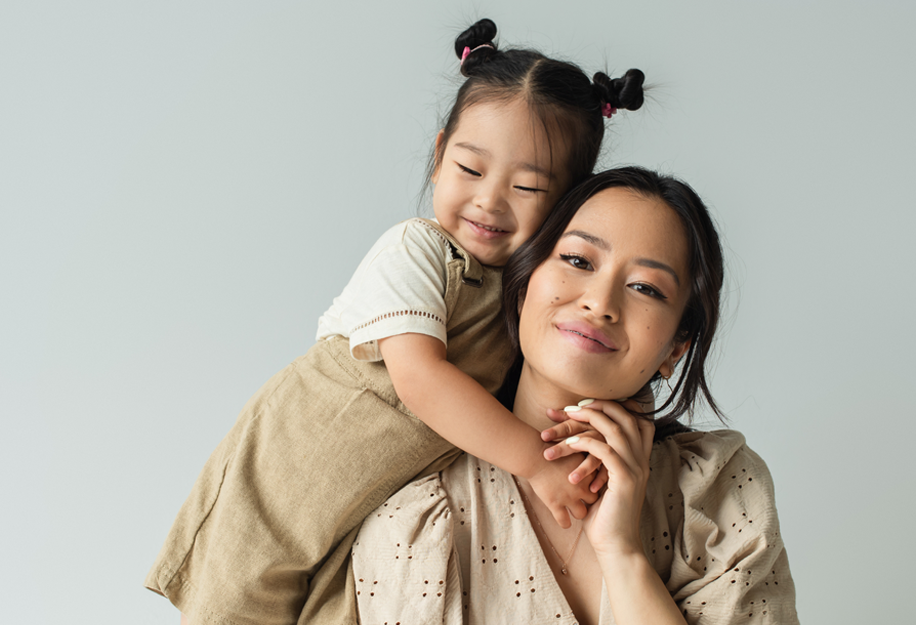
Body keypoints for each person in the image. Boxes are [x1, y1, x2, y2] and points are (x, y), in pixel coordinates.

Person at [144, 19, 648, 625]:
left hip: (363, 504)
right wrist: (538, 463)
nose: (489, 200)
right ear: (438, 157)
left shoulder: (529, 299)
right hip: (282, 481)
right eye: (470, 170)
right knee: (237, 605)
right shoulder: (417, 251)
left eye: (526, 186)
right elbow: (419, 378)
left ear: (569, 202)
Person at [351, 167, 799, 624]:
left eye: (645, 288)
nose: (601, 302)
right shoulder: (418, 507)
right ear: (523, 285)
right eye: (579, 261)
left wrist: (623, 554)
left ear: (676, 347)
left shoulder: (718, 492)